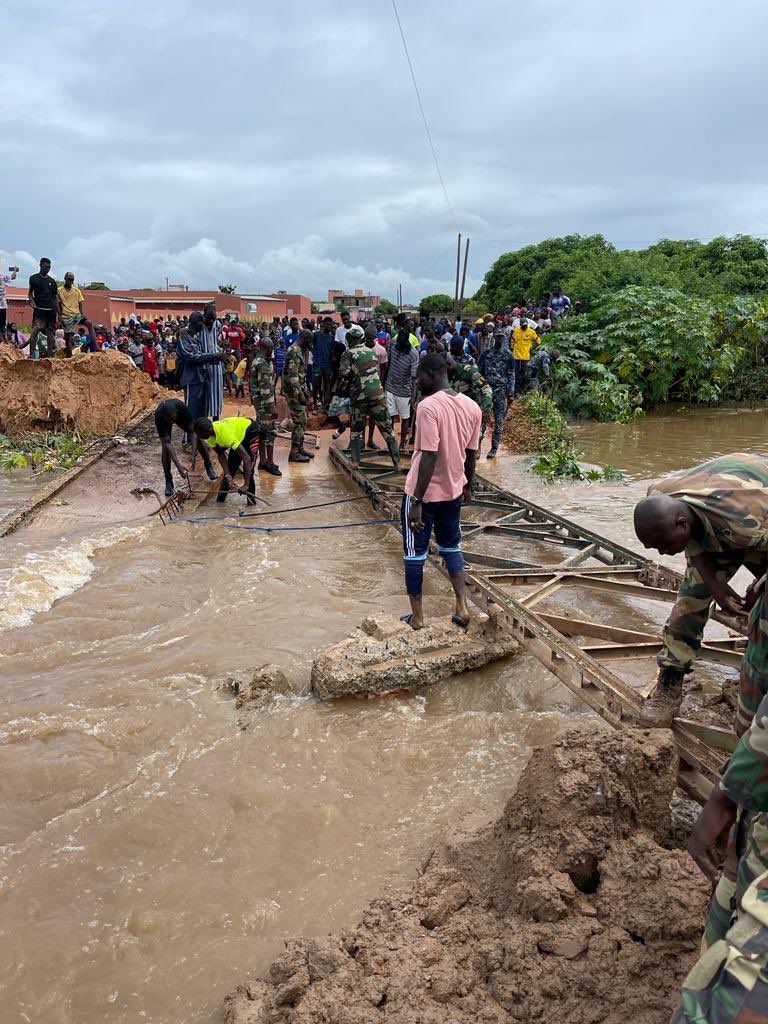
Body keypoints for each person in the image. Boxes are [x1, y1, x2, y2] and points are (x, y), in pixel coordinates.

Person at [633, 453, 768, 728]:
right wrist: (715, 586)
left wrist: (760, 584)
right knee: (689, 604)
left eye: (663, 544)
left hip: (755, 517)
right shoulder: (658, 495)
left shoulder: (747, 525)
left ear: (682, 524)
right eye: (654, 548)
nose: (662, 552)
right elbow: (696, 544)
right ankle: (669, 684)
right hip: (720, 513)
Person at [400, 352, 481, 631]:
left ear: (431, 375)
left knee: (414, 553)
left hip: (425, 494)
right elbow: (472, 454)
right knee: (451, 546)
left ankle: (418, 618)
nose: (417, 382)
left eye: (419, 377)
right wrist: (468, 485)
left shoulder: (428, 407)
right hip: (453, 492)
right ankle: (462, 606)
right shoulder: (472, 406)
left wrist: (417, 501)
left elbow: (429, 456)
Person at [340, 324, 400, 468]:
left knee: (356, 430)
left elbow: (344, 372)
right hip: (377, 394)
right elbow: (377, 371)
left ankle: (355, 462)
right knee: (387, 429)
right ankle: (397, 463)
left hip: (359, 397)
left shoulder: (348, 353)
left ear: (348, 340)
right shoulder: (372, 352)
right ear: (361, 339)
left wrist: (349, 377)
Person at [176, 311, 229, 452]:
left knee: (201, 412)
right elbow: (191, 357)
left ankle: (198, 441)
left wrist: (217, 357)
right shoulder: (183, 337)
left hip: (202, 378)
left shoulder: (197, 337)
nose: (203, 325)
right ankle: (187, 442)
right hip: (192, 380)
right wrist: (214, 355)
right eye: (201, 323)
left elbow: (203, 354)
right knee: (190, 412)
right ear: (195, 323)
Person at [154, 398, 215, 496]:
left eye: (173, 420)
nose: (172, 423)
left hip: (180, 416)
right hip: (164, 419)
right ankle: (168, 481)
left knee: (198, 438)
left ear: (176, 413)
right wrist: (179, 467)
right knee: (165, 448)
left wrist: (194, 454)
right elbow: (167, 443)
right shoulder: (159, 415)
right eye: (169, 421)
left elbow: (193, 432)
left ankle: (208, 465)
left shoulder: (182, 408)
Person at [193, 415, 258, 504]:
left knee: (249, 473)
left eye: (199, 434)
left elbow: (246, 457)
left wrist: (246, 485)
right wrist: (228, 477)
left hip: (250, 432)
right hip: (236, 436)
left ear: (207, 430)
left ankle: (251, 504)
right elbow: (221, 454)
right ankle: (220, 504)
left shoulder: (224, 433)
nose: (199, 437)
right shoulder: (208, 437)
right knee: (229, 472)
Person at [477, 330, 515, 459]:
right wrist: (480, 388)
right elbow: (479, 372)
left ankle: (494, 449)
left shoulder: (508, 355)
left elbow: (511, 374)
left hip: (500, 391)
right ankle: (477, 448)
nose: (499, 339)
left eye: (501, 337)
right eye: (497, 337)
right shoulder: (486, 354)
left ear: (503, 338)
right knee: (482, 419)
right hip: (486, 391)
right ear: (494, 338)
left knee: (499, 422)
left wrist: (510, 393)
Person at [249, 336, 281, 476]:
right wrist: (271, 406)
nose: (272, 350)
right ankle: (270, 463)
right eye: (272, 347)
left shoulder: (256, 360)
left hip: (258, 403)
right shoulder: (262, 364)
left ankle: (262, 461)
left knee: (261, 433)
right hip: (264, 405)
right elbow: (265, 387)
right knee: (270, 433)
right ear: (268, 348)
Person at [385, 328, 419, 452]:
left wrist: (413, 396)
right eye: (398, 342)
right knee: (390, 416)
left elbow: (414, 377)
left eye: (401, 343)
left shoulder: (414, 354)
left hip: (404, 390)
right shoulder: (393, 344)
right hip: (390, 386)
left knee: (405, 418)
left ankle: (401, 445)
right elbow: (388, 364)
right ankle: (391, 442)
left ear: (407, 342)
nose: (398, 344)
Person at [282, 328, 313, 463]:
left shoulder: (299, 350)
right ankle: (294, 453)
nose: (310, 345)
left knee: (303, 420)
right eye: (310, 341)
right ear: (305, 339)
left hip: (298, 389)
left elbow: (300, 374)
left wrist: (304, 390)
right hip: (293, 392)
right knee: (299, 421)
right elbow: (293, 375)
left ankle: (300, 448)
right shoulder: (294, 351)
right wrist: (299, 393)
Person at [57, 273, 95, 356]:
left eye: (71, 280)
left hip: (76, 314)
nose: (70, 281)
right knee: (68, 337)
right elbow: (58, 305)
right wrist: (59, 317)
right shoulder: (59, 290)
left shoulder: (76, 290)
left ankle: (95, 347)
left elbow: (80, 302)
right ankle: (69, 356)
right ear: (65, 279)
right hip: (66, 315)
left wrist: (82, 314)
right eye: (68, 279)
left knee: (89, 323)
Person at [28, 257, 58, 358]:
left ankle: (49, 356)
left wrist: (59, 313)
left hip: (51, 311)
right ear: (40, 265)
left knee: (50, 333)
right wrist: (32, 301)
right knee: (35, 330)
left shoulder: (52, 282)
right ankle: (31, 355)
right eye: (46, 267)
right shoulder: (34, 278)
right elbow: (30, 293)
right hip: (39, 310)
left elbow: (55, 298)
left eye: (49, 267)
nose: (47, 269)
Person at [201, 303, 224, 421]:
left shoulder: (218, 324)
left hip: (216, 362)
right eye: (209, 318)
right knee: (203, 393)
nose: (211, 321)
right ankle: (203, 422)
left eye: (213, 318)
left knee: (216, 392)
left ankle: (216, 422)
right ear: (204, 315)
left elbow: (218, 340)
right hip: (202, 361)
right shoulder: (199, 325)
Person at [511, 316, 539, 395]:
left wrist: (532, 348)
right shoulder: (516, 331)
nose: (525, 327)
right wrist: (512, 348)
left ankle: (523, 390)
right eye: (523, 326)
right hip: (516, 356)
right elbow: (512, 341)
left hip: (526, 356)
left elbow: (538, 341)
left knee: (525, 375)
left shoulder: (531, 332)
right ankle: (515, 391)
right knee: (515, 374)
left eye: (526, 325)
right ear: (520, 325)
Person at [312, 317, 335, 411]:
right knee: (316, 385)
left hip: (327, 365)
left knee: (327, 386)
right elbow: (310, 345)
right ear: (323, 324)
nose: (329, 326)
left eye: (331, 324)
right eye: (328, 324)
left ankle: (325, 405)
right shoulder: (316, 335)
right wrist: (314, 353)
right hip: (317, 364)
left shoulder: (332, 337)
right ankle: (315, 405)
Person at [0, 263, 18, 340]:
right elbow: (13, 277)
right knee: (2, 325)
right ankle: (3, 338)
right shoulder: (3, 276)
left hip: (3, 305)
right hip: (3, 305)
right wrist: (14, 270)